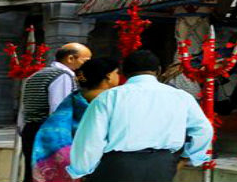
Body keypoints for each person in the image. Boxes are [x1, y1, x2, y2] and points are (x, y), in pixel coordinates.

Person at [67, 50, 213, 182]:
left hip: (118, 167)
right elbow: (204, 130)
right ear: (159, 71)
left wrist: (81, 171)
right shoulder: (181, 97)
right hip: (162, 165)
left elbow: (91, 139)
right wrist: (188, 157)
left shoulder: (108, 97)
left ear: (124, 72)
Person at [32, 57, 120, 182]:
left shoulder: (73, 98)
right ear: (109, 76)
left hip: (73, 162)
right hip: (104, 164)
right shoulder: (110, 100)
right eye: (117, 73)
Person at [19, 43, 92, 182]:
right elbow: (59, 110)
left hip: (31, 129)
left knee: (33, 173)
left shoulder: (38, 74)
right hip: (48, 132)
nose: (87, 65)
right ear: (71, 58)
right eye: (86, 60)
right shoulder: (63, 76)